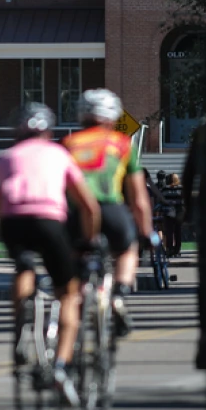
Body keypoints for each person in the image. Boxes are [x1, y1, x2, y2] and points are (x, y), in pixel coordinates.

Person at [0, 102, 99, 407]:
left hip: (14, 222)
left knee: (24, 268)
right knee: (68, 293)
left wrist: (8, 231)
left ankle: (21, 330)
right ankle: (61, 366)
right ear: (48, 130)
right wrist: (87, 242)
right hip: (50, 221)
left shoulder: (5, 157)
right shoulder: (59, 154)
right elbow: (88, 205)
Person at [62, 89, 160, 337]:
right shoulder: (122, 144)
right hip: (112, 210)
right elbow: (139, 199)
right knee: (128, 250)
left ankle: (82, 304)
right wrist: (147, 232)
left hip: (78, 214)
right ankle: (118, 294)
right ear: (113, 116)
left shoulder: (68, 145)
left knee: (76, 264)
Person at [160, 173, 185, 258]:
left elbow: (161, 199)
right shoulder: (181, 188)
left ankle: (169, 249)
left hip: (168, 212)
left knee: (169, 232)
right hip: (179, 212)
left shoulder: (164, 189)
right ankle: (177, 250)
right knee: (178, 232)